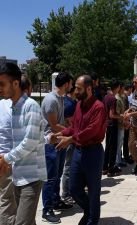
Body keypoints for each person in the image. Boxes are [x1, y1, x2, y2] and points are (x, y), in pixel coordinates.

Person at [52, 75, 107, 225]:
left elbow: (91, 130)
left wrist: (69, 140)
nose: (75, 91)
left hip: (93, 153)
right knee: (74, 188)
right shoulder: (78, 105)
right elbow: (75, 127)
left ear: (89, 89)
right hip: (78, 151)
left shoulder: (98, 107)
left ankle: (92, 220)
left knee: (94, 191)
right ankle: (89, 210)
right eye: (75, 87)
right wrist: (61, 134)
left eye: (78, 88)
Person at [0, 62, 47, 225]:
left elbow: (30, 141)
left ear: (15, 83)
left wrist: (6, 158)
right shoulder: (14, 107)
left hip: (32, 177)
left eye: (2, 84)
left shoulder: (30, 106)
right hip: (18, 175)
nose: (0, 88)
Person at [41, 72, 73, 223]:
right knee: (50, 177)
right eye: (71, 84)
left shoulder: (60, 98)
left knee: (58, 175)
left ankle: (55, 200)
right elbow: (53, 126)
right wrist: (72, 132)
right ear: (66, 84)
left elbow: (61, 121)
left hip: (60, 142)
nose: (72, 87)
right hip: (51, 144)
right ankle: (47, 210)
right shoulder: (51, 100)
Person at [103, 80, 123, 177]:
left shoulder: (106, 97)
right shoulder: (113, 99)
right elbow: (112, 115)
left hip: (107, 124)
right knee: (113, 147)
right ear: (117, 87)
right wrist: (121, 116)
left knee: (107, 146)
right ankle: (111, 168)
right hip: (112, 124)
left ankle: (104, 167)